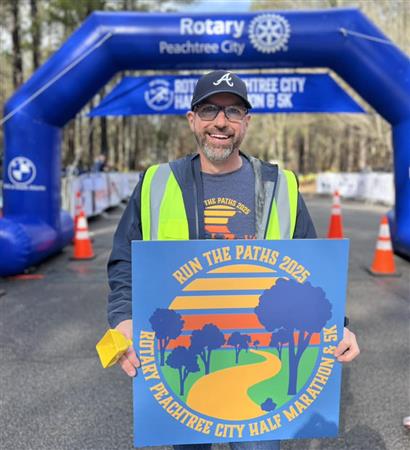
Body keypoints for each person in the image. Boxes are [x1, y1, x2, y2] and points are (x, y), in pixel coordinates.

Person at [107, 70, 360, 450]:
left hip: (264, 349)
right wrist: (124, 319)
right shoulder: (156, 183)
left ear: (247, 121)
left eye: (233, 111)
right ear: (192, 119)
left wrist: (336, 325)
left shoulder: (281, 186)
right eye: (209, 110)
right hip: (182, 356)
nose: (221, 122)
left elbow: (309, 270)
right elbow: (125, 259)